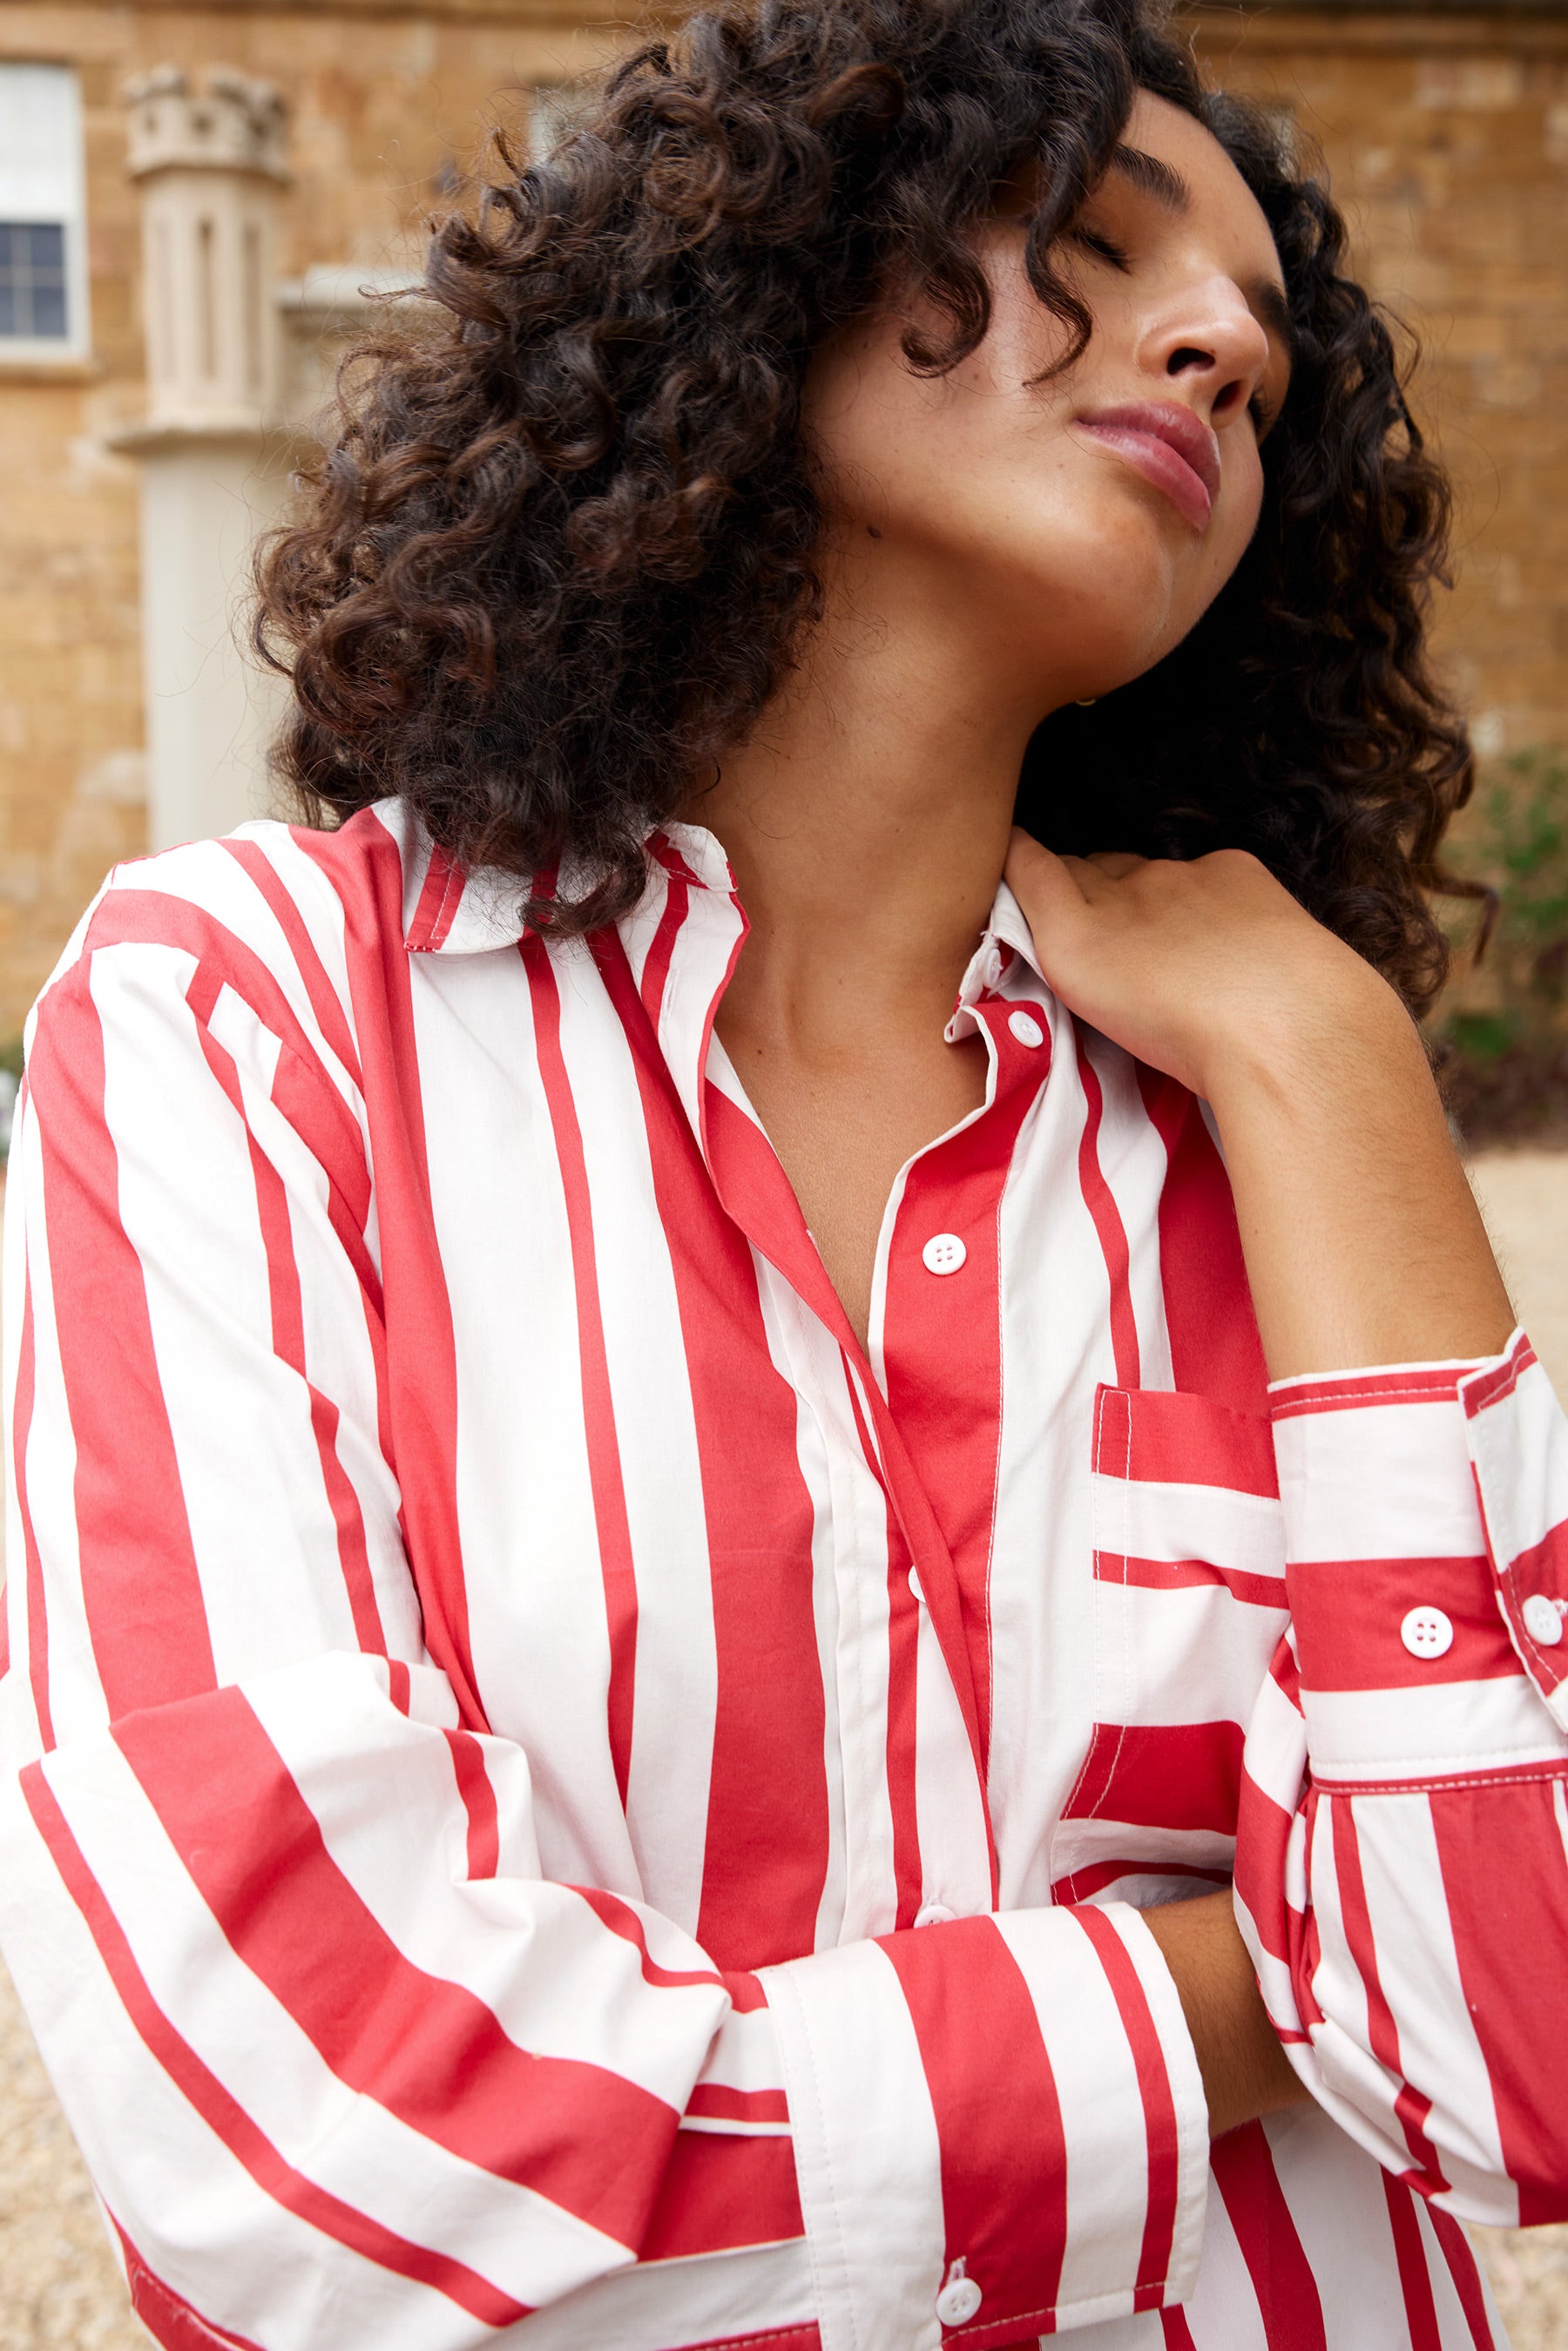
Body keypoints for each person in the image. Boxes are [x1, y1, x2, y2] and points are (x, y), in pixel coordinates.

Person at [3, 1, 1565, 2344]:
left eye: (1261, 328)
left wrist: (1338, 1061)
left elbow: (1517, 2052)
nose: (1227, 339)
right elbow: (329, 2158)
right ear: (773, 280)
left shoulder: (1268, 1117)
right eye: (1099, 236)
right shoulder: (254, 1020)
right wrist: (1272, 1990)